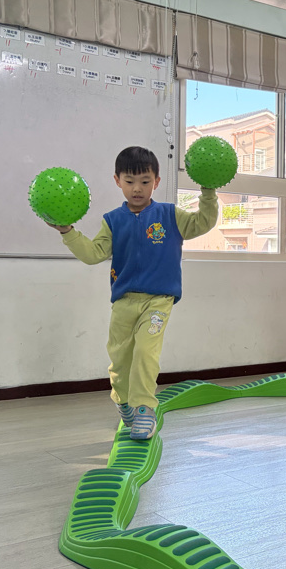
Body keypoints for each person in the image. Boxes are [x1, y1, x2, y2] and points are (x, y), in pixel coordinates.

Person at [47, 146, 217, 440]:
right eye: (129, 181)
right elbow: (93, 254)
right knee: (120, 357)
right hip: (124, 301)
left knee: (146, 352)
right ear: (117, 180)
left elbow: (202, 222)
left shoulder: (169, 215)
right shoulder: (112, 220)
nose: (137, 188)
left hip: (158, 301)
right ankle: (123, 400)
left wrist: (208, 191)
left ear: (156, 182)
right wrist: (68, 232)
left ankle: (144, 408)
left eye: (145, 181)